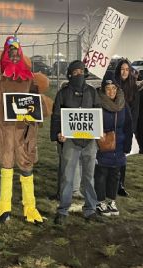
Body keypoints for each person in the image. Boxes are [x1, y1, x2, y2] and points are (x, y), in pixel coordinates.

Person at [0, 37, 44, 225]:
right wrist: (1, 120)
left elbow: (36, 106)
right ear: (6, 53)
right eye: (11, 51)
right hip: (5, 130)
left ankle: (30, 207)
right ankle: (5, 207)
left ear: (21, 53)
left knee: (26, 166)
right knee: (6, 164)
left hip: (23, 131)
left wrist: (30, 125)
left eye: (17, 51)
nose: (14, 54)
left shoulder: (29, 79)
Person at [51, 60, 102, 225]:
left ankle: (90, 209)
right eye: (75, 72)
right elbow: (57, 115)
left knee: (89, 176)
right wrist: (58, 133)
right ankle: (63, 210)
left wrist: (99, 131)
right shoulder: (63, 93)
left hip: (89, 141)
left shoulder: (92, 92)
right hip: (70, 141)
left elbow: (98, 112)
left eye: (81, 71)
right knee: (67, 176)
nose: (79, 74)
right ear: (70, 74)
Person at [94, 73, 132, 217]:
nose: (111, 92)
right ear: (103, 89)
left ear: (117, 89)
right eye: (108, 88)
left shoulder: (123, 104)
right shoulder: (97, 103)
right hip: (103, 145)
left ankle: (111, 200)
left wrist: (127, 146)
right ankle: (100, 201)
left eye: (114, 88)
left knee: (115, 174)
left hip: (119, 146)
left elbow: (129, 126)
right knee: (101, 174)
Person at [115, 59, 139, 197]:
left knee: (123, 156)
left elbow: (135, 111)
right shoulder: (113, 84)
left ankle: (120, 185)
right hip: (113, 125)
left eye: (127, 69)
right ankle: (109, 182)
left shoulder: (133, 87)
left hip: (126, 127)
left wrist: (132, 129)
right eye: (122, 69)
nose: (124, 72)